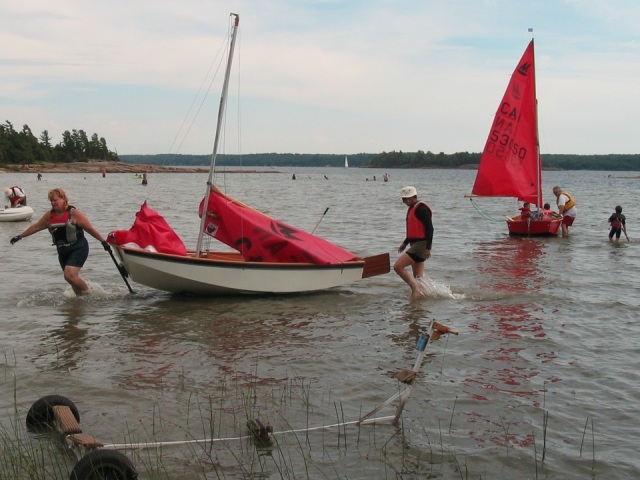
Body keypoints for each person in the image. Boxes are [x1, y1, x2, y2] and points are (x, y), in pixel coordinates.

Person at [9, 188, 111, 296]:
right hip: (62, 251)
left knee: (69, 275)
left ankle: (89, 295)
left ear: (63, 199)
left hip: (78, 247)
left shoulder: (73, 213)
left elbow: (89, 228)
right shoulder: (49, 215)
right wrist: (19, 236)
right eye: (51, 201)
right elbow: (36, 227)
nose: (53, 203)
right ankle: (79, 303)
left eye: (55, 200)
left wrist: (103, 242)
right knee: (71, 280)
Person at [394, 186, 434, 299]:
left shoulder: (421, 209)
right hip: (415, 244)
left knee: (398, 267)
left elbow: (430, 229)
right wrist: (405, 243)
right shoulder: (413, 208)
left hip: (420, 245)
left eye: (405, 199)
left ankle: (414, 289)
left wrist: (428, 248)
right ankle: (421, 297)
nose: (404, 202)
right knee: (419, 278)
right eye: (403, 199)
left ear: (412, 197)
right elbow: (414, 230)